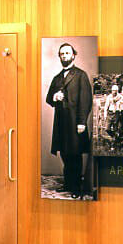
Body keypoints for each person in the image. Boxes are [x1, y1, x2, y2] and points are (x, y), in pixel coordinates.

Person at [45, 43, 93, 198]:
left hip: (75, 122)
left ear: (73, 55)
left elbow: (86, 100)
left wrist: (82, 122)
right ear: (60, 57)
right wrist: (54, 97)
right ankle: (68, 184)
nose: (65, 56)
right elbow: (48, 99)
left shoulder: (81, 75)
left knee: (75, 154)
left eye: (67, 53)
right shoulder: (57, 78)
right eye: (62, 54)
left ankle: (76, 187)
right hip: (61, 123)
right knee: (65, 154)